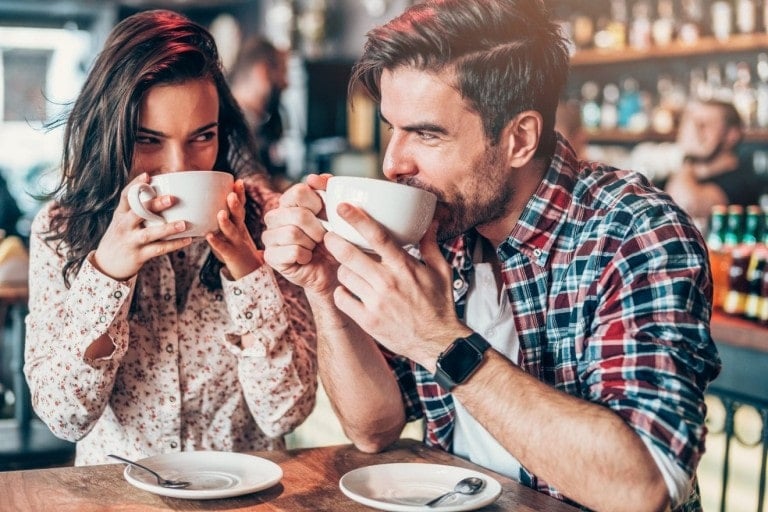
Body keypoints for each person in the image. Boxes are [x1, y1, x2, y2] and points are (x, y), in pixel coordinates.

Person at [261, 1, 721, 511]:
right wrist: (325, 288)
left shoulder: (634, 232)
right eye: (393, 128)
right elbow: (373, 428)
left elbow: (644, 487)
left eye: (427, 133)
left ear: (519, 138)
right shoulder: (440, 226)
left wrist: (440, 341)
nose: (393, 163)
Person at [23, 10, 317, 466]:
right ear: (110, 134)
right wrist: (108, 274)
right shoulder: (62, 229)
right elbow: (65, 418)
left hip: (243, 493)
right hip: (117, 496)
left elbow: (284, 414)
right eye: (149, 139)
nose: (180, 167)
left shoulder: (267, 219)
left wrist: (247, 272)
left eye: (203, 137)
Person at [664, 99, 762, 226]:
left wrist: (688, 157)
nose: (693, 132)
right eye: (690, 123)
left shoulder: (741, 182)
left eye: (704, 125)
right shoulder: (684, 177)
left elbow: (686, 205)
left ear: (731, 135)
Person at [228, 36, 292, 192]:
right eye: (283, 73)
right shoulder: (232, 125)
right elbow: (256, 189)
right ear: (263, 72)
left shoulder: (256, 124)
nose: (286, 83)